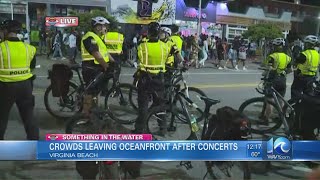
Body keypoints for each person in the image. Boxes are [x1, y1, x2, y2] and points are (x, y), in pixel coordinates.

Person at [76, 16, 115, 180]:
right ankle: (84, 117)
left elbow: (105, 53)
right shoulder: (89, 38)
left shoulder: (99, 38)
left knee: (95, 94)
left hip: (98, 68)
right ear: (94, 27)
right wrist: (106, 66)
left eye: (104, 26)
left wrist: (114, 62)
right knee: (90, 93)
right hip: (91, 68)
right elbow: (96, 53)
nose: (103, 28)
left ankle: (92, 112)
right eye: (100, 26)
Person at [133, 22, 175, 135]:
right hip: (159, 77)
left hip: (145, 78)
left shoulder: (142, 45)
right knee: (160, 104)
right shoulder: (165, 46)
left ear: (149, 32)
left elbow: (138, 58)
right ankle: (163, 129)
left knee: (143, 105)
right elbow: (169, 58)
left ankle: (139, 130)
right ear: (159, 33)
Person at [0, 19, 38, 140]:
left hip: (5, 87)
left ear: (6, 31)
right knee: (29, 117)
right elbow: (32, 67)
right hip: (25, 86)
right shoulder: (30, 48)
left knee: (2, 118)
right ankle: (34, 145)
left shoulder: (1, 48)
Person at [291, 35, 320, 140]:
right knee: (308, 101)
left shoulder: (304, 54)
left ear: (307, 44)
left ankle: (295, 120)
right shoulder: (317, 54)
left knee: (295, 100)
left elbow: (295, 63)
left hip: (301, 78)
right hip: (311, 79)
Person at [260, 37, 292, 125]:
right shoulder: (287, 57)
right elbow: (290, 70)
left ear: (275, 46)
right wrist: (283, 72)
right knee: (280, 99)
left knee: (269, 100)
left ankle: (266, 119)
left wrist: (264, 73)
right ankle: (280, 117)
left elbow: (269, 68)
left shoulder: (272, 56)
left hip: (272, 80)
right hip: (282, 79)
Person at [103, 26, 124, 90]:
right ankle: (115, 91)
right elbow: (124, 47)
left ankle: (104, 91)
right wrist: (124, 58)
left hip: (107, 57)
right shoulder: (120, 36)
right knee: (116, 76)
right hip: (117, 57)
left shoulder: (105, 36)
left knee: (105, 74)